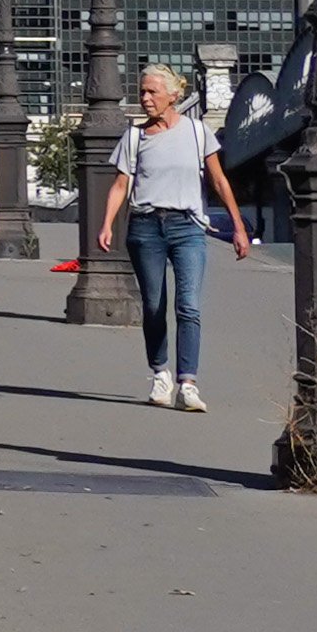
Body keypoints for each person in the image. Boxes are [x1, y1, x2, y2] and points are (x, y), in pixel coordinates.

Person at [87, 65, 250, 410]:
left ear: (173, 96)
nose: (145, 99)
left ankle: (187, 383)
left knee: (188, 305)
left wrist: (238, 226)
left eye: (152, 93)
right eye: (142, 92)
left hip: (187, 227)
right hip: (146, 227)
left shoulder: (197, 132)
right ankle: (160, 372)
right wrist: (106, 224)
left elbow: (219, 181)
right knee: (153, 305)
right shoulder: (134, 137)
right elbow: (120, 186)